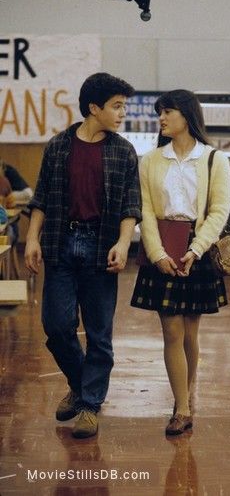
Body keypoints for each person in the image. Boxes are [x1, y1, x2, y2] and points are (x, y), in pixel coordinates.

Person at [25, 73, 142, 438]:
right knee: (57, 326)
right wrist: (32, 239)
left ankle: (90, 405)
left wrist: (123, 244)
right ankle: (82, 386)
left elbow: (130, 205)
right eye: (117, 106)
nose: (123, 113)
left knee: (99, 333)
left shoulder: (123, 151)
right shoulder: (58, 146)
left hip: (101, 248)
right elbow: (41, 197)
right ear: (94, 108)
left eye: (124, 106)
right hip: (60, 244)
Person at [131, 89, 230, 435]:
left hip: (197, 248)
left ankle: (185, 396)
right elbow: (145, 210)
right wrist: (157, 254)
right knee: (171, 329)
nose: (161, 118)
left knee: (191, 332)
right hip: (163, 244)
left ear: (186, 115)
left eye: (167, 112)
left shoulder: (214, 159)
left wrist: (198, 248)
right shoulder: (149, 161)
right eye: (160, 113)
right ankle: (183, 407)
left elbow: (218, 210)